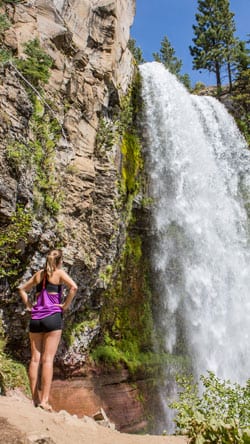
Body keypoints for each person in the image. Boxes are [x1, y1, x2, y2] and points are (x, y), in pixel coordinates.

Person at [18, 249, 78, 412]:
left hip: (36, 318)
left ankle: (35, 399)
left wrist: (29, 305)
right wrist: (64, 306)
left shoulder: (38, 275)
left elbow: (22, 289)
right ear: (60, 261)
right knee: (48, 359)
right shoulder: (59, 273)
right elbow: (74, 287)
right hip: (52, 317)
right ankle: (44, 401)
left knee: (35, 359)